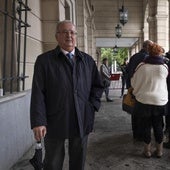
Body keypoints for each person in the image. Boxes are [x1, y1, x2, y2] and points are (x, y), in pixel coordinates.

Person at [30, 20, 104, 170]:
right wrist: (38, 121)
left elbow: (97, 86)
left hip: (81, 117)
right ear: (57, 36)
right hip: (54, 118)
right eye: (64, 32)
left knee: (78, 160)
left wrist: (92, 106)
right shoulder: (44, 61)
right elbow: (38, 93)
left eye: (72, 32)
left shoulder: (87, 60)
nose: (69, 35)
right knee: (52, 162)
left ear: (76, 36)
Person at [131, 42, 168, 158]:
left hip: (144, 100)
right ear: (159, 53)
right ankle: (159, 151)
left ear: (149, 52)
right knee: (158, 125)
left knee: (146, 126)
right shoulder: (164, 67)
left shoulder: (141, 66)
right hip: (159, 101)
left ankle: (147, 151)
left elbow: (134, 82)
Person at [126, 40, 153, 141]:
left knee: (135, 111)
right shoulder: (147, 58)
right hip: (143, 89)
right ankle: (142, 134)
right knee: (143, 113)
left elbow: (129, 72)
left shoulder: (134, 56)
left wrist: (129, 88)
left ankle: (136, 133)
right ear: (148, 47)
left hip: (133, 88)